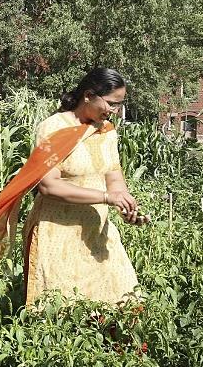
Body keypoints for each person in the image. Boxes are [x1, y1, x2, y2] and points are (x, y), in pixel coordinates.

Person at [24, 67, 143, 306]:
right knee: (64, 307)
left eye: (119, 105)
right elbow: (48, 186)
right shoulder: (54, 128)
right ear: (88, 95)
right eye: (111, 104)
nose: (115, 112)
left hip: (98, 231)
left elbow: (114, 179)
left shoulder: (107, 131)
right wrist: (107, 198)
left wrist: (126, 204)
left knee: (122, 301)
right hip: (58, 232)